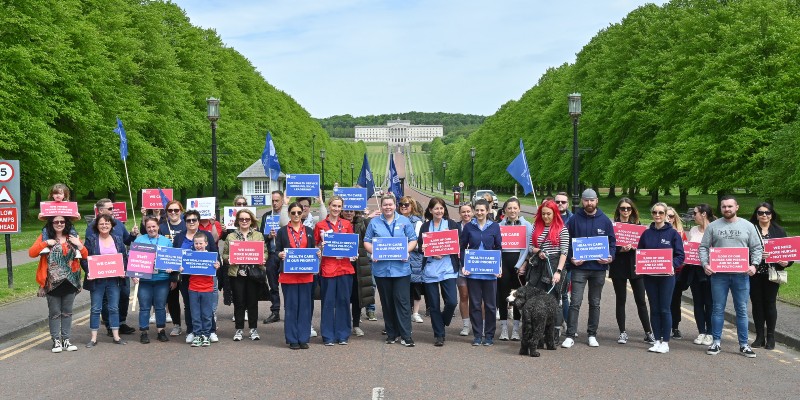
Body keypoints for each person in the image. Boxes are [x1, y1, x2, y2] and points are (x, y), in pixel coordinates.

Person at [699, 195, 763, 358]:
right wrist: (705, 264)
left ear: (737, 207)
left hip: (741, 275)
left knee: (741, 310)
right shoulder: (713, 226)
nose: (727, 209)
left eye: (730, 206)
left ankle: (744, 344)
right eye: (724, 207)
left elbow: (757, 248)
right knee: (718, 309)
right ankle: (716, 342)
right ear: (720, 209)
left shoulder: (748, 226)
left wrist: (754, 265)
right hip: (718, 275)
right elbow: (704, 247)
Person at [562, 189, 615, 349]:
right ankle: (570, 335)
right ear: (582, 201)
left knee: (595, 302)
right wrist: (571, 257)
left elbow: (612, 243)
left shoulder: (605, 220)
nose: (589, 203)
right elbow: (566, 240)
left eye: (592, 200)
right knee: (575, 302)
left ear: (597, 201)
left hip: (598, 269)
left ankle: (592, 334)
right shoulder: (574, 220)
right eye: (586, 200)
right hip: (579, 268)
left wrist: (610, 257)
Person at [364, 194, 418, 347]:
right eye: (385, 204)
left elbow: (413, 239)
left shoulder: (404, 221)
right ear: (381, 206)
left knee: (402, 302)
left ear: (395, 206)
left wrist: (406, 251)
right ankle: (391, 333)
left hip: (401, 269)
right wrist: (373, 252)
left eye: (390, 204)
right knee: (387, 302)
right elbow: (367, 241)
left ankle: (406, 335)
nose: (388, 207)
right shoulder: (374, 222)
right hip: (381, 269)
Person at [30, 216, 88, 352]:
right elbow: (32, 253)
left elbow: (85, 255)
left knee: (67, 312)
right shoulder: (45, 237)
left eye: (62, 221)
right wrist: (45, 243)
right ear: (51, 223)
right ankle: (56, 341)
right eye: (56, 221)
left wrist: (79, 245)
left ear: (66, 223)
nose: (59, 224)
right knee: (55, 313)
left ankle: (66, 340)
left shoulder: (72, 237)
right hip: (52, 282)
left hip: (71, 281)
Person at [85, 198, 138, 336]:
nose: (113, 211)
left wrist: (132, 235)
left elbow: (126, 241)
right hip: (102, 272)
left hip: (119, 270)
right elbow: (90, 250)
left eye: (112, 208)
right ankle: (109, 324)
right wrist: (91, 270)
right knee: (105, 300)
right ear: (100, 210)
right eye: (110, 209)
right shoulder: (92, 227)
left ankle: (121, 322)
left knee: (125, 294)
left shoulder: (119, 223)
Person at [637, 202, 685, 354]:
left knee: (665, 308)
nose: (657, 215)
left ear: (666, 215)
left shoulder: (673, 234)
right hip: (650, 277)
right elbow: (640, 252)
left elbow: (680, 255)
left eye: (661, 213)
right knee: (654, 308)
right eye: (655, 213)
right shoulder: (646, 234)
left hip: (667, 278)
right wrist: (639, 265)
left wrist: (672, 265)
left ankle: (665, 341)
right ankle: (656, 340)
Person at [609, 198, 654, 345]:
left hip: (636, 267)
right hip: (619, 267)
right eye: (623, 208)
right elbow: (609, 246)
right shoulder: (613, 226)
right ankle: (622, 332)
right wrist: (620, 249)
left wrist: (637, 247)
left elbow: (646, 247)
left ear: (632, 210)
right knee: (621, 300)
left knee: (641, 300)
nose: (626, 211)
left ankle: (648, 332)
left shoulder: (639, 227)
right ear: (618, 210)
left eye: (628, 208)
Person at [522, 200, 569, 338]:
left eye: (549, 214)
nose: (546, 217)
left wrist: (558, 272)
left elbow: (564, 252)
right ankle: (538, 333)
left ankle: (553, 333)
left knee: (552, 301)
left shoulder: (562, 229)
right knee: (536, 299)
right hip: (538, 266)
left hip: (554, 264)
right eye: (543, 214)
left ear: (555, 213)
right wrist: (539, 251)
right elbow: (531, 247)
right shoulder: (536, 226)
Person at [749, 202, 792, 350]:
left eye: (767, 213)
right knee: (757, 304)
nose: (764, 215)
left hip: (773, 273)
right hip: (754, 273)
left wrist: (786, 262)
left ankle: (771, 337)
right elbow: (743, 250)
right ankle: (760, 336)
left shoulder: (779, 231)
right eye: (760, 212)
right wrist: (756, 256)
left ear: (772, 214)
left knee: (770, 304)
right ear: (756, 214)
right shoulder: (751, 229)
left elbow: (789, 253)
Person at [418, 197, 460, 346]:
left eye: (441, 208)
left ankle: (442, 321)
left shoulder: (452, 224)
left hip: (448, 268)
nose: (439, 211)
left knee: (452, 301)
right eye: (436, 208)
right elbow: (420, 246)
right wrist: (427, 251)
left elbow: (458, 243)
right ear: (430, 210)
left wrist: (449, 248)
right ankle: (439, 335)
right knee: (434, 305)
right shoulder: (425, 226)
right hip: (430, 269)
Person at [276, 202, 319, 349]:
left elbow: (313, 249)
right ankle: (292, 338)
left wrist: (317, 253)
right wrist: (279, 254)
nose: (296, 215)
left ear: (302, 214)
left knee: (305, 307)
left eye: (298, 212)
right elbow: (276, 252)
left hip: (306, 275)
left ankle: (303, 337)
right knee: (291, 307)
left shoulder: (308, 230)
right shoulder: (282, 231)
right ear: (288, 213)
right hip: (288, 276)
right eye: (293, 212)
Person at [460, 199, 503, 346]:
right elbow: (462, 247)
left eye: (482, 210)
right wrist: (463, 265)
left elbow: (498, 247)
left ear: (488, 211)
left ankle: (489, 335)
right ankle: (478, 334)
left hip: (490, 272)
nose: (479, 213)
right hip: (473, 272)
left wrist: (499, 267)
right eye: (477, 210)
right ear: (473, 211)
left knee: (491, 305)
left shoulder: (495, 227)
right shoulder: (468, 227)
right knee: (475, 304)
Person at [82, 214, 129, 347]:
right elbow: (84, 258)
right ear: (97, 225)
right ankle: (93, 338)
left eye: (107, 223)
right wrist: (88, 271)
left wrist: (122, 270)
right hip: (97, 280)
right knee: (96, 308)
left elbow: (123, 258)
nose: (104, 225)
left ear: (111, 225)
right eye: (101, 223)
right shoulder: (91, 240)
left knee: (114, 308)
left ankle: (116, 336)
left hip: (114, 280)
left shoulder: (118, 239)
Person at [315, 195, 356, 345]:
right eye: (334, 206)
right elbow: (316, 245)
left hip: (345, 268)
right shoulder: (320, 225)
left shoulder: (346, 224)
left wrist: (354, 255)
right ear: (329, 206)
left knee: (344, 301)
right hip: (328, 268)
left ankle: (343, 334)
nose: (336, 209)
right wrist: (320, 249)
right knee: (328, 302)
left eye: (339, 206)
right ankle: (327, 335)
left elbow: (352, 244)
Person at [173, 209, 219, 344]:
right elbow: (175, 257)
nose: (191, 222)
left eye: (194, 220)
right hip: (188, 279)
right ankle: (192, 331)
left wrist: (218, 264)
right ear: (185, 222)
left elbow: (215, 254)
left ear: (198, 221)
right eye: (188, 220)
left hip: (206, 278)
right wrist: (177, 269)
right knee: (189, 305)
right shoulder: (179, 237)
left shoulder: (207, 235)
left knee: (207, 308)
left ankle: (210, 332)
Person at [222, 208, 266, 342]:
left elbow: (265, 252)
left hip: (253, 273)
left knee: (252, 302)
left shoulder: (258, 235)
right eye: (241, 219)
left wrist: (263, 258)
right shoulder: (231, 236)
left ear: (251, 220)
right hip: (237, 273)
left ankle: (253, 328)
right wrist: (228, 259)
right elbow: (224, 254)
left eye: (247, 219)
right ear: (237, 221)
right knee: (239, 301)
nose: (244, 221)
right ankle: (239, 328)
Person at [496, 197, 532, 341]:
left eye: (514, 208)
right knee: (503, 296)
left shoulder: (527, 225)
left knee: (518, 298)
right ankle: (504, 328)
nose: (512, 211)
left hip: (519, 265)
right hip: (504, 264)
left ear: (519, 209)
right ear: (504, 210)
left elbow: (528, 248)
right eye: (509, 208)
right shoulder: (499, 226)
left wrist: (522, 265)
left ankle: (516, 329)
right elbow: (496, 247)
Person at [133, 217, 174, 344]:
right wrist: (134, 275)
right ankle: (144, 332)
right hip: (145, 280)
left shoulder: (166, 241)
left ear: (158, 227)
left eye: (153, 226)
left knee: (160, 306)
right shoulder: (140, 240)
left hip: (162, 279)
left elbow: (172, 259)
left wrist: (171, 269)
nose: (151, 229)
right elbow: (133, 260)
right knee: (144, 307)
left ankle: (160, 331)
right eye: (149, 227)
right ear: (146, 228)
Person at [342, 208, 376, 337]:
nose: (349, 213)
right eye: (346, 210)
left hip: (358, 265)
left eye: (352, 211)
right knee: (343, 297)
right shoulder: (338, 224)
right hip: (342, 265)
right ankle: (343, 324)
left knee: (357, 296)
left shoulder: (361, 223)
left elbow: (369, 234)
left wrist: (366, 217)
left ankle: (356, 324)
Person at [686, 204, 715, 346]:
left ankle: (710, 333)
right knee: (698, 302)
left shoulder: (715, 229)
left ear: (703, 214)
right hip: (695, 272)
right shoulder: (692, 230)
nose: (693, 216)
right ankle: (701, 332)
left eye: (695, 213)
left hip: (710, 272)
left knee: (710, 303)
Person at [187, 234, 221, 347]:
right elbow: (184, 268)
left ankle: (206, 335)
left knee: (207, 314)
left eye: (201, 243)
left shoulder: (211, 256)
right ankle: (197, 335)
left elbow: (217, 267)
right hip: (193, 288)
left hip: (207, 289)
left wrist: (217, 266)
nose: (198, 245)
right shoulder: (189, 256)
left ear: (206, 243)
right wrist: (182, 268)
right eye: (196, 243)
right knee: (195, 314)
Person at [398, 196, 425, 324]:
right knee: (402, 289)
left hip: (413, 258)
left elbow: (419, 243)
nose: (403, 206)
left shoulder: (417, 222)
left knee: (415, 287)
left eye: (406, 204)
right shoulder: (395, 219)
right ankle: (404, 317)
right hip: (399, 258)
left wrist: (404, 246)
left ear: (412, 206)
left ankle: (415, 313)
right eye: (401, 204)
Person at [260, 190, 286, 324]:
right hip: (272, 254)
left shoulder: (288, 214)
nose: (275, 203)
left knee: (288, 284)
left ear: (282, 201)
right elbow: (260, 236)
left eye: (277, 200)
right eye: (273, 201)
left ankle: (290, 310)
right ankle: (275, 311)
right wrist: (268, 236)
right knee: (273, 285)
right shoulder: (266, 216)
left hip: (286, 254)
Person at [160, 200, 185, 336]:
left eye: (176, 210)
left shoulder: (186, 225)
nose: (173, 213)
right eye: (170, 210)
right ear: (167, 212)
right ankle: (177, 325)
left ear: (181, 211)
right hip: (168, 266)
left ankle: (193, 326)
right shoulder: (162, 227)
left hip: (184, 267)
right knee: (172, 298)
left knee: (188, 298)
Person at [37, 183, 81, 252]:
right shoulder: (48, 206)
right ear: (52, 195)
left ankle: (76, 249)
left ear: (64, 195)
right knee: (45, 230)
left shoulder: (69, 205)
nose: (58, 195)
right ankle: (46, 247)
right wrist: (40, 217)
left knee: (73, 232)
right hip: (51, 226)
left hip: (67, 225)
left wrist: (78, 217)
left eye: (60, 193)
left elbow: (73, 218)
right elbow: (44, 218)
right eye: (55, 193)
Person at [666, 206, 689, 340]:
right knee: (663, 300)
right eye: (666, 216)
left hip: (678, 272)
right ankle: (663, 326)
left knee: (675, 300)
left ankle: (675, 326)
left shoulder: (681, 233)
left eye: (671, 216)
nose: (669, 218)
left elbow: (686, 252)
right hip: (661, 272)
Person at [554, 192, 573, 323]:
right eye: (558, 201)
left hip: (567, 263)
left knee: (564, 294)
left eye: (563, 202)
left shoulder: (573, 219)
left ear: (568, 204)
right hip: (549, 262)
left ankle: (567, 323)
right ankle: (552, 324)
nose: (560, 204)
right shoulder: (548, 217)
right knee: (550, 294)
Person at [456, 203, 474, 336]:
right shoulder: (455, 227)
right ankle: (466, 325)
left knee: (480, 298)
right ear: (460, 213)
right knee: (464, 295)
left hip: (477, 266)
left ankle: (481, 325)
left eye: (468, 211)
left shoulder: (479, 226)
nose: (466, 214)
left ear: (472, 212)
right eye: (463, 212)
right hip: (461, 266)